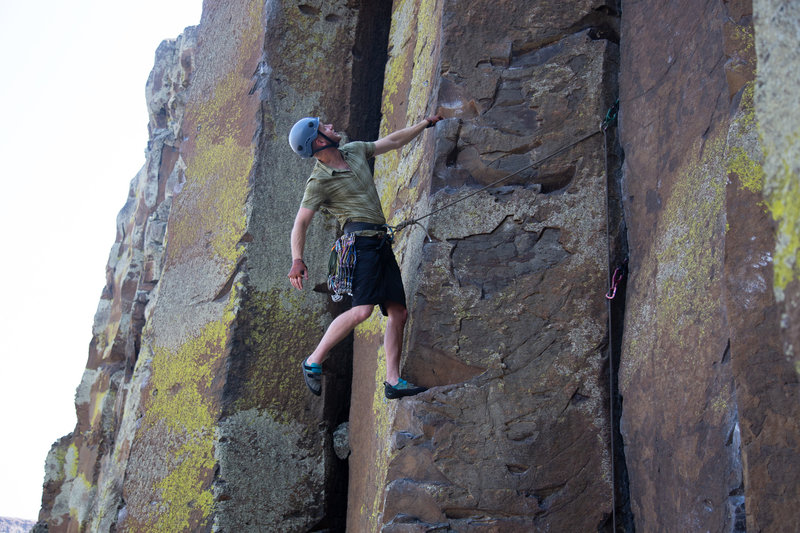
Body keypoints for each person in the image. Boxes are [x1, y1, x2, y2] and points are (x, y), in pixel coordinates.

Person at [287, 115, 442, 399]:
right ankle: (313, 361)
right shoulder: (318, 182)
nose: (332, 127)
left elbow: (393, 141)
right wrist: (297, 259)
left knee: (399, 312)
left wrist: (425, 124)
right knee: (362, 310)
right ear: (320, 141)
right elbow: (300, 223)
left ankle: (393, 382)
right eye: (326, 128)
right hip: (359, 246)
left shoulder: (355, 150)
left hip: (380, 242)